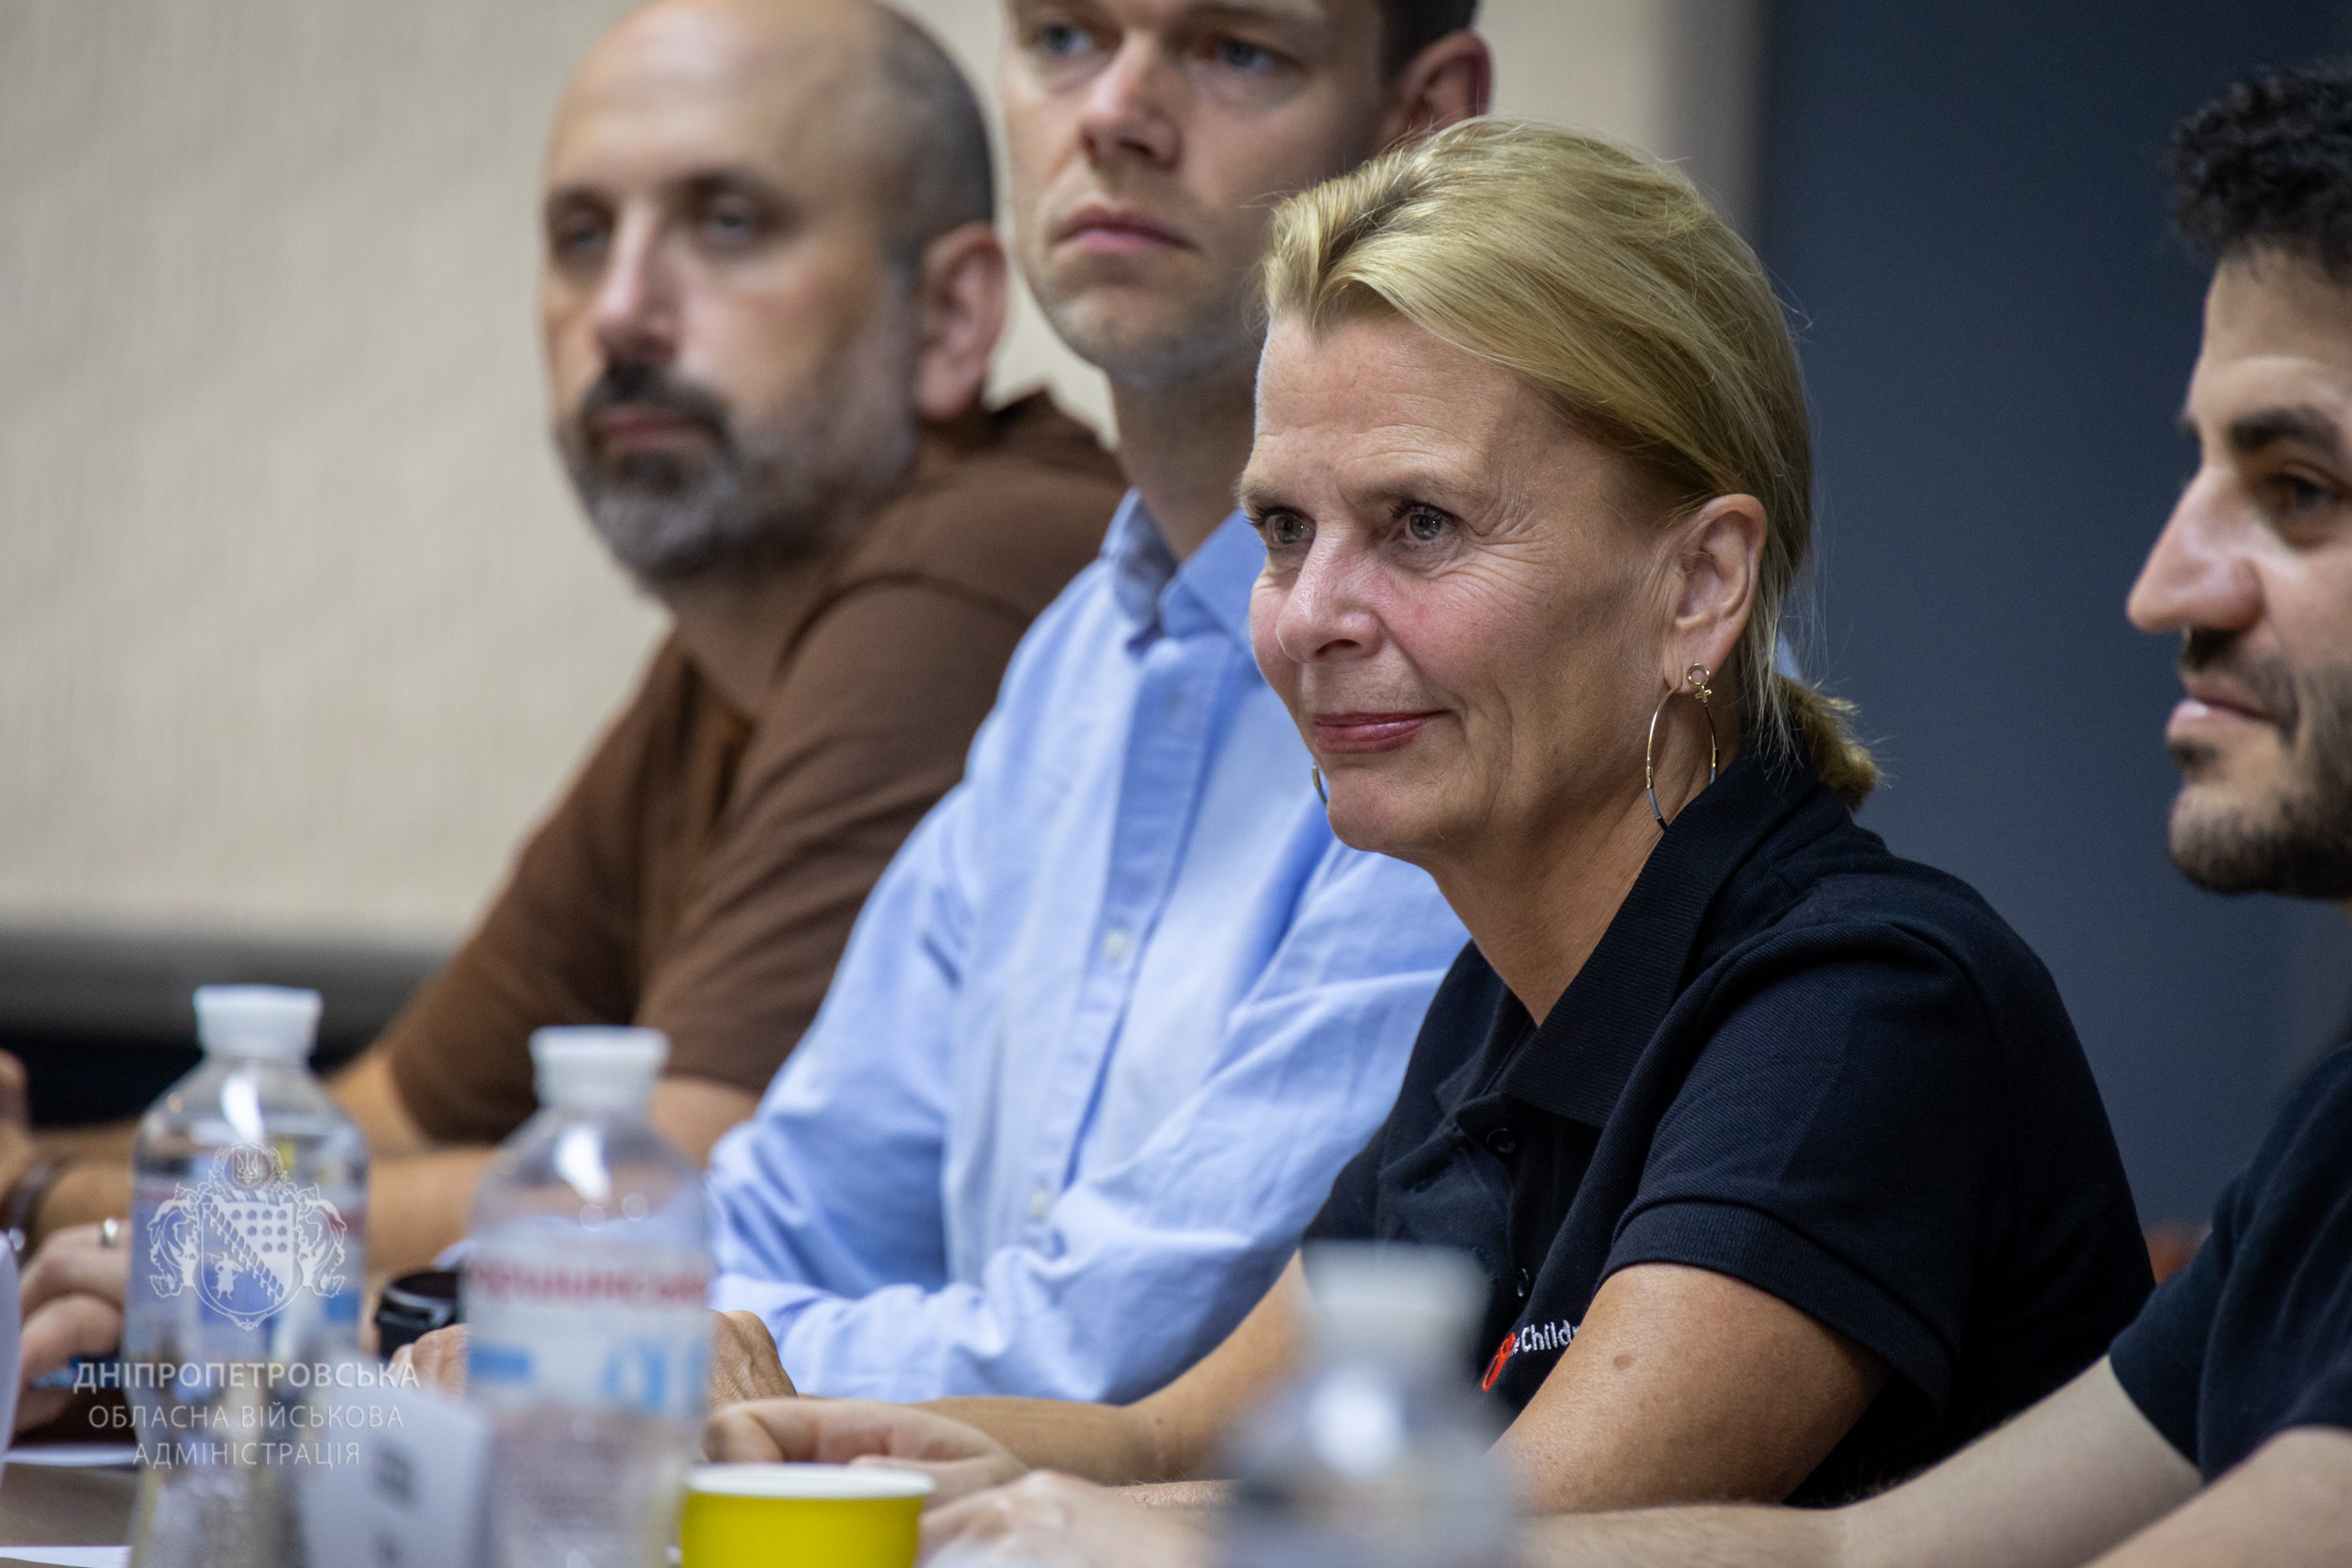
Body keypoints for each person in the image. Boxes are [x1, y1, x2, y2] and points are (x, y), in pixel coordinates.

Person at [813, 65, 2352, 1568]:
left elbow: (1522, 1534)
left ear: (1702, 587)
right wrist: (830, 1447)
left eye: (1421, 525)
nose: (1309, 617)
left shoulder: (1862, 1005)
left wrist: (1059, 1529)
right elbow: (1165, 1444)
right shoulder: (1501, 999)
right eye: (1282, 527)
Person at [0, 0, 1124, 1278]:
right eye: (582, 238)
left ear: (950, 318)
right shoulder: (727, 655)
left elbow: (653, 1202)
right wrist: (45, 1173)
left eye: (728, 223)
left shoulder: (980, 571)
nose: (624, 314)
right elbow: (391, 1117)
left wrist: (45, 1198)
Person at [690, 0, 1491, 1403]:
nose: (1114, 114)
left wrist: (657, 1353)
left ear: (1419, 118)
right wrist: (632, 1327)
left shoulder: (1467, 672)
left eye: (1236, 48)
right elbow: (783, 1215)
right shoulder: (1074, 657)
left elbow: (1123, 1359)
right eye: (1063, 35)